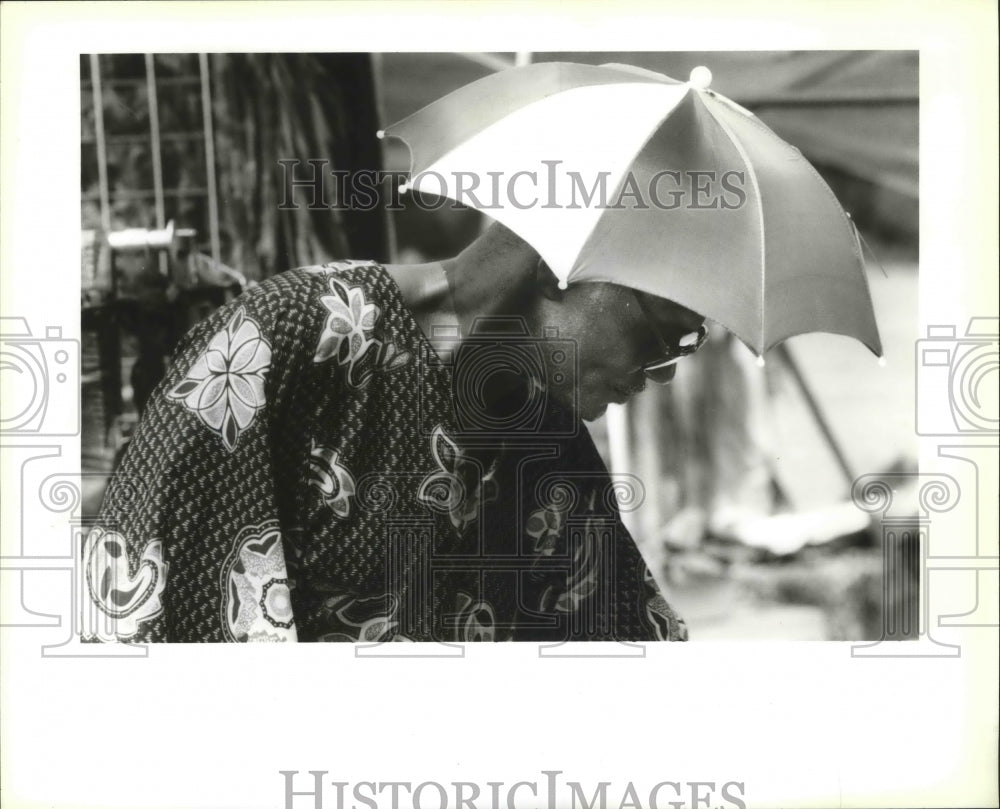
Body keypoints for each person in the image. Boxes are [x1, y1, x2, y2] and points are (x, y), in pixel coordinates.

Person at [81, 222, 706, 643]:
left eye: (687, 344)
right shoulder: (287, 339)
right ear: (557, 267)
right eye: (660, 332)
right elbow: (150, 614)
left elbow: (628, 644)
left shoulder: (545, 436)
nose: (666, 370)